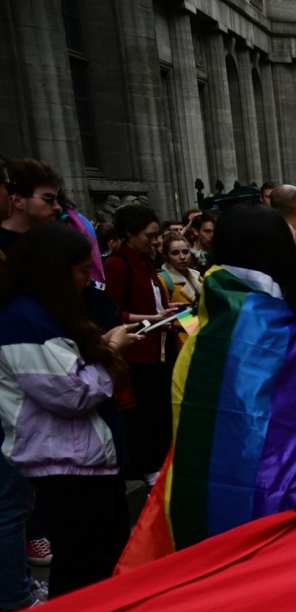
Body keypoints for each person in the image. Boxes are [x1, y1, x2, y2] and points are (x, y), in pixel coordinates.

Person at [149, 204, 296, 557]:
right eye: (289, 241)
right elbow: (242, 429)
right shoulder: (249, 318)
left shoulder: (252, 302)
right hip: (273, 498)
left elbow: (285, 402)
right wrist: (294, 491)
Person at [0, 223, 140, 598]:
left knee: (104, 557)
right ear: (55, 271)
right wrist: (112, 352)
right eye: (81, 271)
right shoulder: (23, 320)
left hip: (86, 458)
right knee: (82, 565)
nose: (87, 280)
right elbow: (71, 392)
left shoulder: (48, 313)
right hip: (64, 463)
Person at [102, 205, 183, 484]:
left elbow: (151, 300)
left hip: (161, 346)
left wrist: (166, 309)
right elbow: (114, 312)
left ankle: (163, 460)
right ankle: (147, 467)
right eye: (149, 236)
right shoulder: (117, 264)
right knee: (144, 415)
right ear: (129, 233)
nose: (154, 241)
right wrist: (152, 316)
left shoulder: (146, 263)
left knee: (162, 410)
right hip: (138, 350)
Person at [0, 159, 64, 256]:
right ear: (18, 202)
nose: (57, 207)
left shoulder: (55, 242)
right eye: (48, 198)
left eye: (56, 199)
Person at [158, 234, 202, 307]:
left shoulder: (197, 275)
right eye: (175, 253)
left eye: (185, 252)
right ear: (166, 256)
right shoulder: (162, 280)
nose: (182, 257)